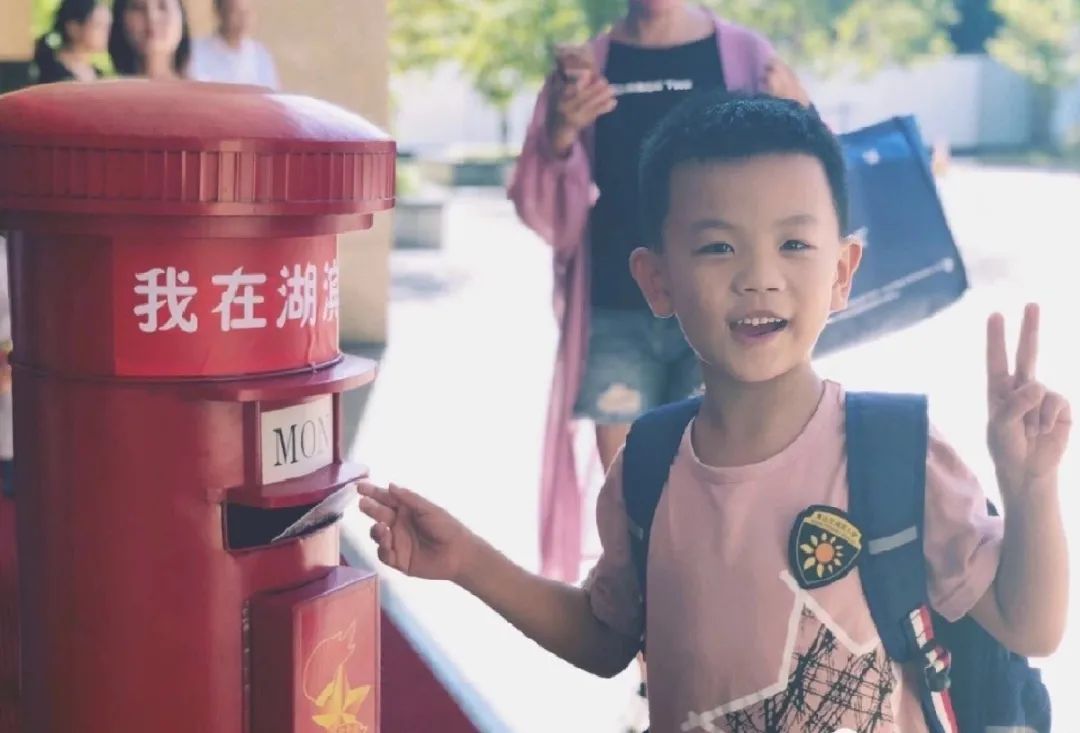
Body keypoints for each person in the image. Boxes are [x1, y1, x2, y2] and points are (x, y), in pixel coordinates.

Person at [358, 93, 1071, 732]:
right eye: (718, 246)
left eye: (794, 243)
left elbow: (1029, 625)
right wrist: (467, 561)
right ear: (657, 280)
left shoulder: (894, 453)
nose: (759, 276)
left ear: (842, 272)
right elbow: (606, 637)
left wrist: (1030, 485)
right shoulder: (647, 467)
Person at [508, 0, 811, 588]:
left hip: (722, 310)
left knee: (724, 476)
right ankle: (647, 620)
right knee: (630, 494)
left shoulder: (744, 57)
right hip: (615, 312)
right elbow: (541, 206)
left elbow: (806, 185)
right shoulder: (589, 66)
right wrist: (560, 136)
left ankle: (721, 608)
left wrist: (803, 114)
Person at [189, 0, 280, 89]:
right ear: (220, 12)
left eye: (246, 12)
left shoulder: (260, 55)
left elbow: (271, 93)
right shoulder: (196, 51)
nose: (243, 19)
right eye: (236, 12)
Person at [31, 0, 112, 84]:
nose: (106, 33)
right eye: (98, 25)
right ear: (73, 28)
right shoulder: (49, 71)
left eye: (107, 26)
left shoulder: (99, 74)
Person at [108, 0, 191, 80]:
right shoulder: (107, 87)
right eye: (139, 7)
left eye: (163, 6)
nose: (152, 17)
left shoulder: (195, 88)